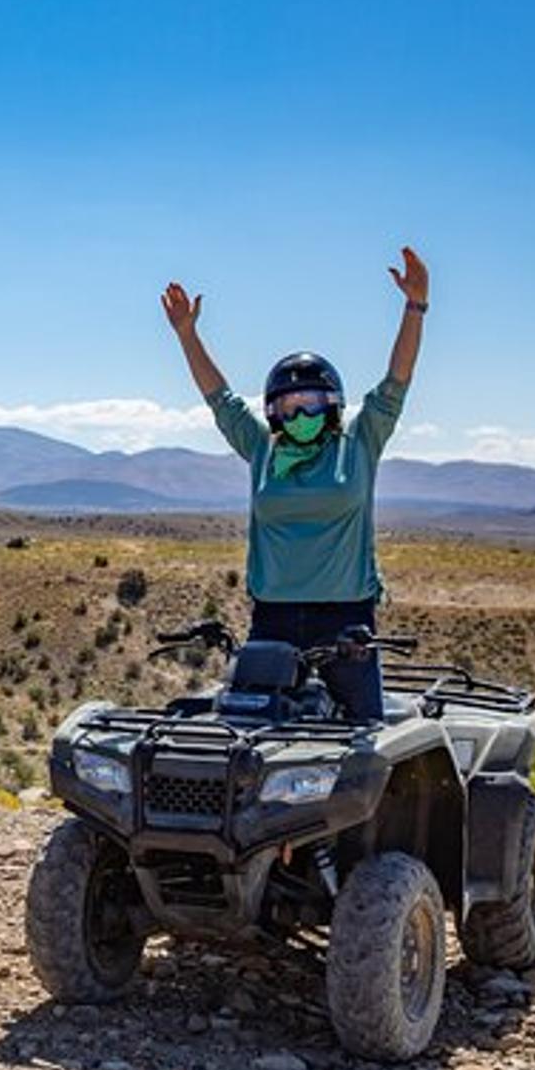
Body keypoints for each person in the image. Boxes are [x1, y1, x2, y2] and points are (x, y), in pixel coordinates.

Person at [160, 247, 429, 721]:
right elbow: (221, 399)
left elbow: (395, 384)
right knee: (249, 733)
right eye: (289, 406)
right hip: (273, 617)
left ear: (332, 404)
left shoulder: (358, 445)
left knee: (360, 735)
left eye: (311, 403)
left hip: (346, 619)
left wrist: (415, 307)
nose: (301, 413)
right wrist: (187, 334)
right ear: (273, 411)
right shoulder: (262, 449)